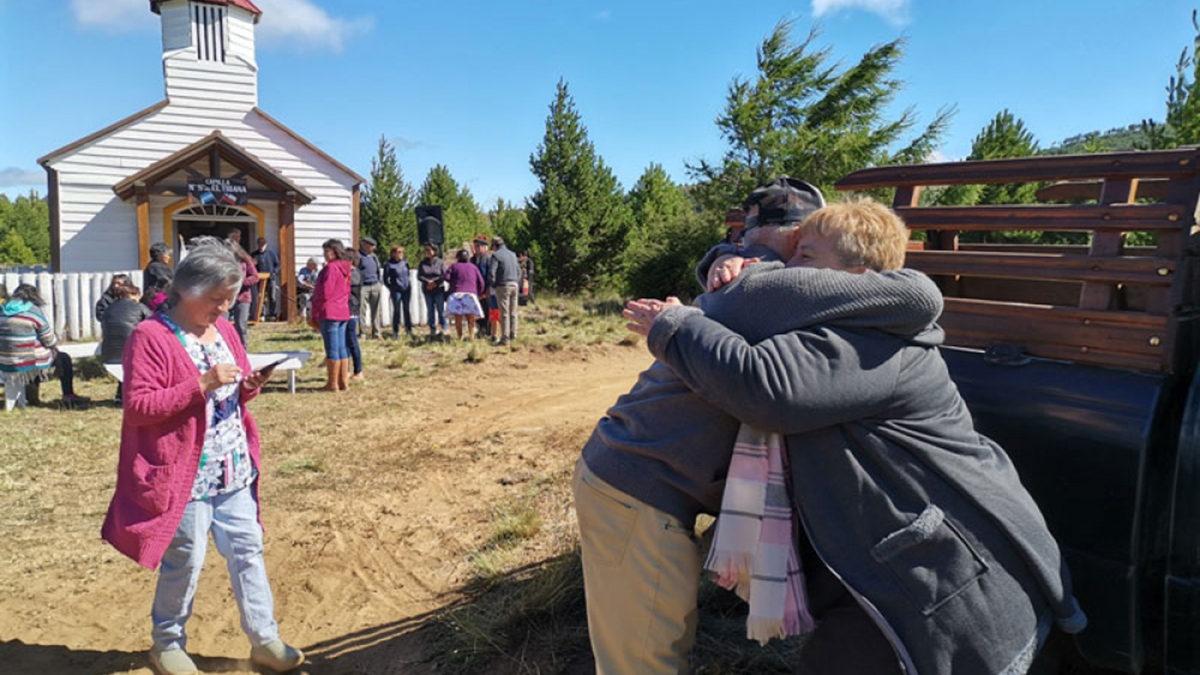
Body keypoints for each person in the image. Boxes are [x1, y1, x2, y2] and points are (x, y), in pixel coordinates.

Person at [617, 196, 1086, 675]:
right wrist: (725, 258)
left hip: (939, 584)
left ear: (856, 277)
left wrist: (676, 326)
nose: (784, 271)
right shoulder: (848, 321)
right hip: (901, 572)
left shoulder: (872, 341)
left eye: (805, 258)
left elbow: (764, 386)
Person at [100, 239, 304, 675]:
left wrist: (248, 385)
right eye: (217, 299)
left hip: (233, 468)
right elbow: (138, 407)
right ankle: (167, 643)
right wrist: (202, 384)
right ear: (187, 290)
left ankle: (264, 640)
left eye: (229, 300)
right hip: (183, 476)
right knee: (185, 560)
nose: (225, 310)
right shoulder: (150, 337)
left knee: (249, 551)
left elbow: (235, 390)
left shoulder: (225, 331)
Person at [0, 283, 90, 408]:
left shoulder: (3, 310)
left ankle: (29, 395)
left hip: (4, 360)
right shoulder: (33, 311)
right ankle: (68, 394)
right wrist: (53, 346)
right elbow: (49, 340)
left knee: (32, 353)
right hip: (27, 360)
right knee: (63, 358)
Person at [311, 239, 353, 391]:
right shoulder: (345, 268)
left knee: (332, 348)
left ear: (335, 251)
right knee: (342, 347)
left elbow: (325, 292)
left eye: (327, 251)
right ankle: (343, 382)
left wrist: (315, 308)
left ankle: (333, 383)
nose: (324, 254)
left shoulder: (331, 268)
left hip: (329, 311)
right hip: (342, 310)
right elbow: (347, 291)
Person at [100, 283, 152, 403]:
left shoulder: (109, 309)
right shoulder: (140, 307)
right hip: (133, 353)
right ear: (133, 294)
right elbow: (154, 324)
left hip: (109, 353)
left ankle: (120, 395)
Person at [445, 249, 486, 341]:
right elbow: (481, 282)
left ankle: (460, 337)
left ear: (457, 257)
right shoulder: (473, 267)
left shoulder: (453, 266)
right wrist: (479, 293)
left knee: (458, 317)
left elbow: (446, 277)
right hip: (470, 294)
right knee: (470, 317)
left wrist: (454, 283)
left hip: (456, 294)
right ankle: (471, 337)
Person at [487, 236, 520, 345]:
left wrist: (494, 285)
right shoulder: (513, 254)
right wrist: (516, 281)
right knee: (513, 312)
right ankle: (513, 335)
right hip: (514, 284)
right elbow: (519, 271)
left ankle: (505, 338)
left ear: (495, 245)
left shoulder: (496, 255)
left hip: (503, 285)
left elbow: (492, 272)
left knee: (504, 312)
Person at [226, 238, 259, 349]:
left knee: (240, 324)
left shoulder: (245, 261)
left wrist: (242, 282)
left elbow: (255, 277)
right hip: (226, 298)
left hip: (242, 296)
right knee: (223, 324)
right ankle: (227, 348)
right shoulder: (222, 262)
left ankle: (243, 348)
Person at [383, 245, 414, 340]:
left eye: (402, 252)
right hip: (396, 290)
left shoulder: (405, 262)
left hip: (406, 289)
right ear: (393, 254)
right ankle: (395, 332)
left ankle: (409, 330)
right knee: (396, 311)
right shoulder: (389, 264)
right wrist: (392, 288)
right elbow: (385, 279)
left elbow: (407, 274)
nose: (401, 254)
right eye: (399, 252)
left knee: (407, 310)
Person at [418, 243, 447, 340]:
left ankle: (444, 328)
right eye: (426, 250)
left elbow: (444, 275)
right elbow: (419, 276)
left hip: (438, 289)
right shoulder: (422, 263)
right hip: (427, 289)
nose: (428, 252)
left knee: (440, 309)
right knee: (430, 310)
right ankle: (432, 329)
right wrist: (427, 282)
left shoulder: (440, 262)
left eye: (429, 250)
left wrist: (435, 282)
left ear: (434, 251)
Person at [357, 236, 383, 339]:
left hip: (375, 285)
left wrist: (379, 283)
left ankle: (376, 333)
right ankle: (362, 333)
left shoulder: (374, 257)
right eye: (371, 245)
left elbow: (377, 269)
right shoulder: (358, 256)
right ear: (365, 245)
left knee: (376, 311)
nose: (373, 248)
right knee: (362, 311)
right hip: (363, 287)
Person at [251, 237, 281, 322]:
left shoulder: (271, 254)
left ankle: (272, 314)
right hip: (259, 279)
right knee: (261, 297)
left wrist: (274, 272)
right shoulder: (254, 255)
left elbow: (278, 265)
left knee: (272, 296)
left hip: (271, 278)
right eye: (260, 244)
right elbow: (251, 266)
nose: (261, 246)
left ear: (266, 245)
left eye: (263, 245)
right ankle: (262, 314)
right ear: (258, 245)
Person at [345, 251, 365, 381]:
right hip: (344, 309)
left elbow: (349, 286)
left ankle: (358, 371)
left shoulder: (355, 273)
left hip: (352, 309)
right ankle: (345, 369)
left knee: (352, 341)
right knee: (344, 342)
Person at [470, 237, 494, 338]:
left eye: (479, 246)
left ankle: (488, 330)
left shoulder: (488, 260)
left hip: (486, 288)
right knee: (477, 310)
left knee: (487, 310)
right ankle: (480, 328)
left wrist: (488, 289)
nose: (477, 248)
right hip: (475, 289)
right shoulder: (472, 260)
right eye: (476, 246)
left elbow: (490, 275)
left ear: (485, 248)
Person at [143, 242, 173, 311]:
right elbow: (166, 280)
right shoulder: (155, 266)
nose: (169, 257)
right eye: (167, 255)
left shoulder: (159, 265)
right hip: (157, 298)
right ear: (159, 256)